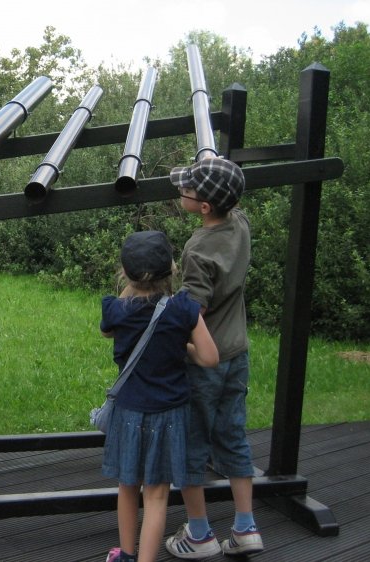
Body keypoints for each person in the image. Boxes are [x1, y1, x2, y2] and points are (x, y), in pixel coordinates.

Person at [165, 157, 265, 558]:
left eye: (186, 190)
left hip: (204, 362)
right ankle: (246, 527)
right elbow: (230, 196)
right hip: (236, 355)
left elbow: (194, 313)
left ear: (204, 207)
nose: (181, 192)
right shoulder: (240, 224)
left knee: (191, 444)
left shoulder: (197, 248)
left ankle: (200, 534)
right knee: (233, 438)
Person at [101, 230, 219, 562]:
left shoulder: (115, 309)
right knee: (156, 496)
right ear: (171, 268)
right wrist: (183, 346)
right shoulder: (183, 308)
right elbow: (210, 358)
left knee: (127, 485)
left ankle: (124, 554)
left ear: (124, 272)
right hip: (169, 415)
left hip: (129, 412)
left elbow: (108, 330)